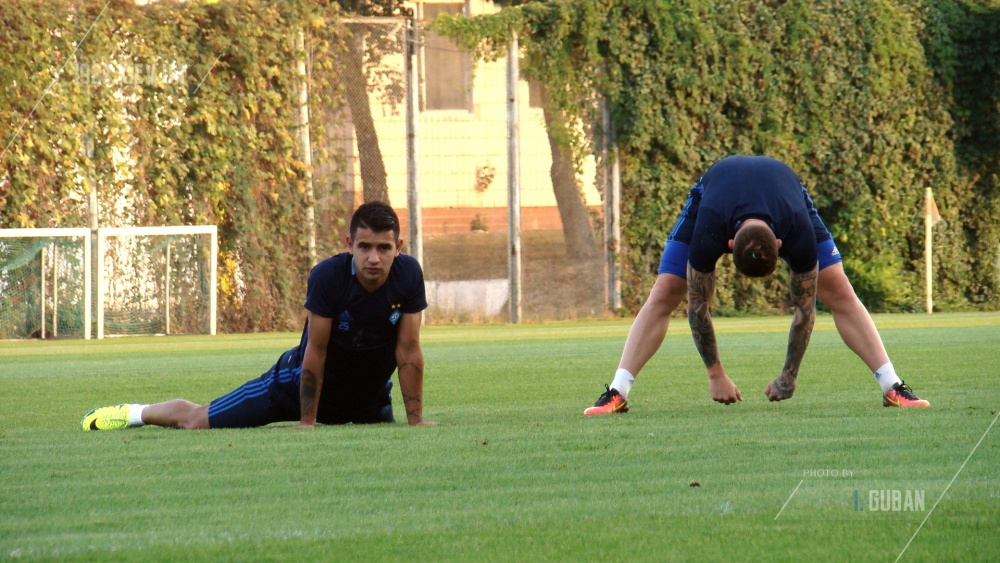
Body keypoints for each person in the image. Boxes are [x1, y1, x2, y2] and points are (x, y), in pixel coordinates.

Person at [584, 155, 930, 415]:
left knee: (838, 288)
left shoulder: (797, 231)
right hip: (713, 192)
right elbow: (697, 306)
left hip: (788, 192)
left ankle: (892, 386)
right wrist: (715, 375)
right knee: (665, 292)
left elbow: (805, 310)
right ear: (727, 244)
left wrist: (789, 375)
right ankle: (618, 391)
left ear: (781, 244)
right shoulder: (709, 229)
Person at [82, 202, 436, 430]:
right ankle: (136, 412)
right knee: (196, 421)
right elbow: (316, 351)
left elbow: (408, 350)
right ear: (349, 245)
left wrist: (416, 421)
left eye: (383, 248)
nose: (373, 258)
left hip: (367, 401)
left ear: (398, 248)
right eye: (365, 247)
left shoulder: (408, 275)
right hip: (292, 387)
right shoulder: (328, 276)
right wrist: (307, 422)